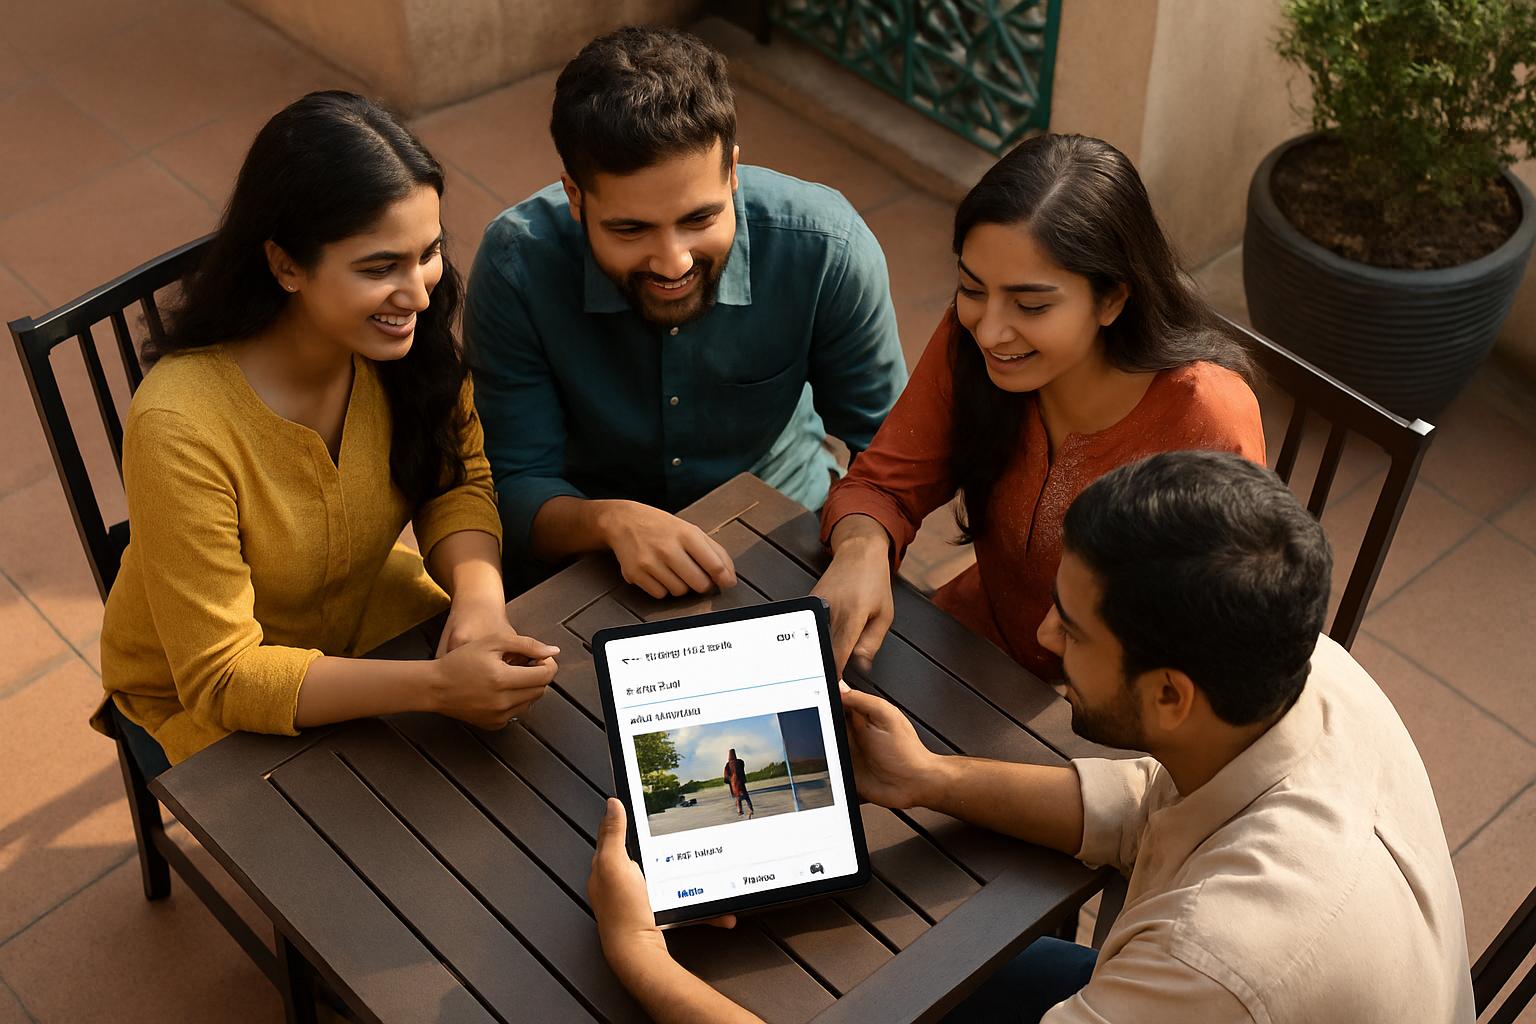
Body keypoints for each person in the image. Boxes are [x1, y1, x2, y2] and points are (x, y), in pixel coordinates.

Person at [586, 451, 1473, 1024]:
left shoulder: (1217, 964)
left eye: (1074, 630)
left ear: (1169, 694)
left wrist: (640, 959)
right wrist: (928, 778)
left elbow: (1212, 969)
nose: (1046, 638)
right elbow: (1144, 810)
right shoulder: (1302, 667)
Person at [94, 92, 559, 776]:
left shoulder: (402, 341)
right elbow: (222, 677)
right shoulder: (180, 425)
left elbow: (456, 481)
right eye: (379, 268)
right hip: (203, 693)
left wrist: (481, 603)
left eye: (428, 253)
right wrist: (434, 688)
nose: (421, 294)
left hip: (364, 613)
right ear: (285, 265)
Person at [465, 26, 908, 598]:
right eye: (631, 229)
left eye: (699, 219)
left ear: (733, 174)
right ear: (575, 196)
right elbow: (516, 480)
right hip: (589, 558)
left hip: (788, 522)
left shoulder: (827, 247)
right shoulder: (515, 266)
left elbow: (890, 450)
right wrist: (608, 521)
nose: (673, 262)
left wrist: (862, 547)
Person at [812, 134, 1265, 679]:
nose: (991, 329)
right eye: (971, 287)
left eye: (1030, 304)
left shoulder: (1207, 419)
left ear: (1113, 298)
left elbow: (1205, 652)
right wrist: (862, 546)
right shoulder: (972, 337)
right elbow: (884, 484)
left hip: (1105, 718)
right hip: (975, 647)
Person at [724, 748, 754, 817]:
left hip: (734, 783)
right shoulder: (740, 762)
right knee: (746, 796)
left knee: (738, 798)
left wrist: (729, 780)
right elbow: (742, 767)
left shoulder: (728, 765)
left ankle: (740, 811)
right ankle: (751, 809)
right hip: (740, 782)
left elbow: (726, 775)